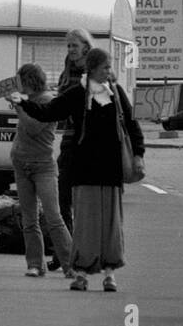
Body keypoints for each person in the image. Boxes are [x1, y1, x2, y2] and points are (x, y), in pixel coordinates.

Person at [11, 48, 144, 291]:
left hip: (111, 170)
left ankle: (109, 274)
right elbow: (48, 112)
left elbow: (132, 126)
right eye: (105, 67)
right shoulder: (77, 94)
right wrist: (24, 103)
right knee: (84, 223)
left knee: (110, 224)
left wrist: (139, 155)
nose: (109, 71)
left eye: (109, 67)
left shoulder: (116, 93)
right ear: (92, 69)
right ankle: (81, 273)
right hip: (84, 169)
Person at [7, 64, 74, 278]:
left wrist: (19, 106)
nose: (19, 86)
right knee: (29, 218)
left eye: (21, 82)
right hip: (21, 162)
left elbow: (33, 128)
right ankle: (35, 263)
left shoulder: (47, 100)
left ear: (30, 81)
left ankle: (69, 263)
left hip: (42, 165)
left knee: (53, 217)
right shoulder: (27, 100)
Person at [49, 28, 93, 271]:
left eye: (74, 46)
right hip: (68, 139)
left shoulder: (94, 68)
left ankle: (83, 253)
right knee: (61, 196)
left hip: (87, 142)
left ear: (86, 46)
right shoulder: (68, 67)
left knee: (84, 201)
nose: (70, 50)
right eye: (68, 46)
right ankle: (63, 252)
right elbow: (61, 98)